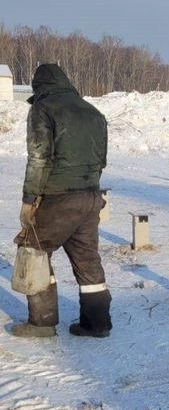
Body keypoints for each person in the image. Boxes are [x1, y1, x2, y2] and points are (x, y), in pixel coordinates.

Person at [11, 63, 112, 338]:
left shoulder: (43, 109)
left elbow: (39, 157)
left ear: (39, 87)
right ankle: (97, 323)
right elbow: (101, 159)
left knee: (34, 250)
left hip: (57, 197)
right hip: (91, 195)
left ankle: (42, 323)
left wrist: (29, 199)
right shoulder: (93, 112)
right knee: (88, 259)